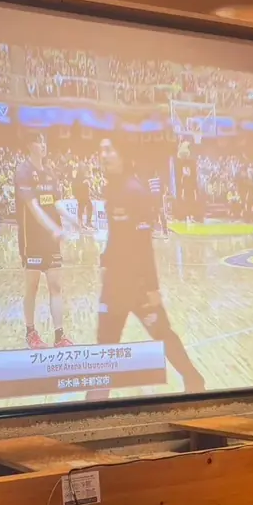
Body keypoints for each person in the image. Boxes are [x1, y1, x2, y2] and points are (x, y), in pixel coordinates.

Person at [88, 136, 206, 398]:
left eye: (109, 149)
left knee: (162, 334)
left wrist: (152, 288)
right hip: (114, 286)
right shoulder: (111, 189)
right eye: (101, 150)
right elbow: (116, 235)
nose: (103, 155)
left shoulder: (135, 191)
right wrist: (105, 260)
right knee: (104, 345)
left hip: (139, 286)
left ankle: (194, 379)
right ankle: (94, 406)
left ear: (122, 153)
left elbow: (143, 244)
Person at [15, 131, 72, 349]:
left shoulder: (50, 172)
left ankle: (59, 336)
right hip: (31, 240)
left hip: (51, 241)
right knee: (32, 286)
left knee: (55, 285)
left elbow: (56, 203)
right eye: (39, 142)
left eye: (44, 141)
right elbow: (33, 207)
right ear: (29, 145)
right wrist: (54, 228)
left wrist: (72, 219)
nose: (43, 145)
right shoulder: (23, 172)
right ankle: (30, 332)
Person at [148, 169, 167, 236]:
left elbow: (149, 191)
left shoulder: (149, 181)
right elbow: (164, 190)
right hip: (158, 200)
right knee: (161, 215)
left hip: (153, 200)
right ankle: (164, 230)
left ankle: (152, 229)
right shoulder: (159, 180)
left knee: (153, 215)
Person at [74, 164, 93, 231]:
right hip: (81, 195)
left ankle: (88, 222)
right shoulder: (78, 176)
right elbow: (77, 184)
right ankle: (80, 224)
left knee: (90, 206)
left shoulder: (85, 176)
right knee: (81, 209)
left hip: (86, 195)